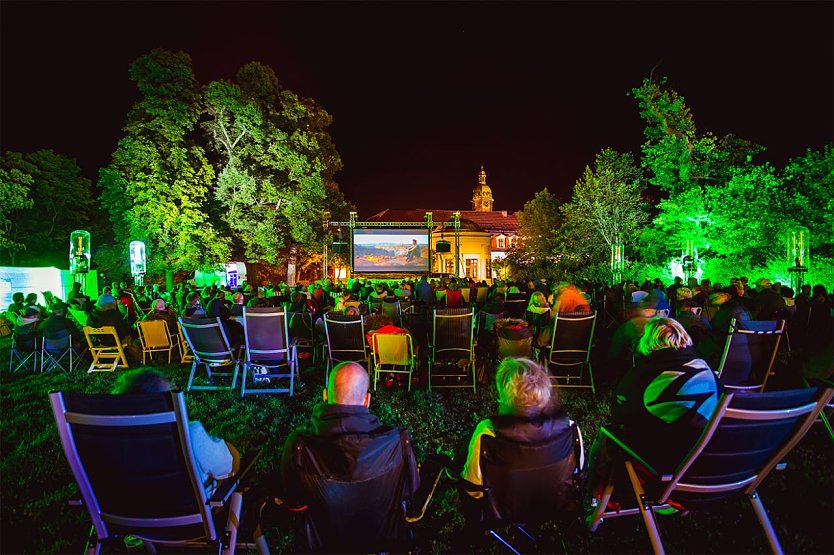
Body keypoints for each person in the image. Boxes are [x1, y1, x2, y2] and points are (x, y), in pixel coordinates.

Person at [586, 318, 722, 507]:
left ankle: (597, 497)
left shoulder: (644, 375)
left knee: (608, 436)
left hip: (667, 465)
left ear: (648, 341)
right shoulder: (706, 369)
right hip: (708, 465)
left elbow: (620, 415)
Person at [280, 361, 420, 506]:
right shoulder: (397, 441)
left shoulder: (298, 444)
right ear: (367, 400)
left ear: (325, 395)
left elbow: (294, 501)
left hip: (324, 527)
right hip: (380, 527)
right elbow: (410, 492)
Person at [111, 369, 237, 493]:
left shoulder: (110, 444)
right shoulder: (190, 434)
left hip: (134, 510)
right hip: (195, 508)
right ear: (159, 403)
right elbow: (227, 466)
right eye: (170, 390)